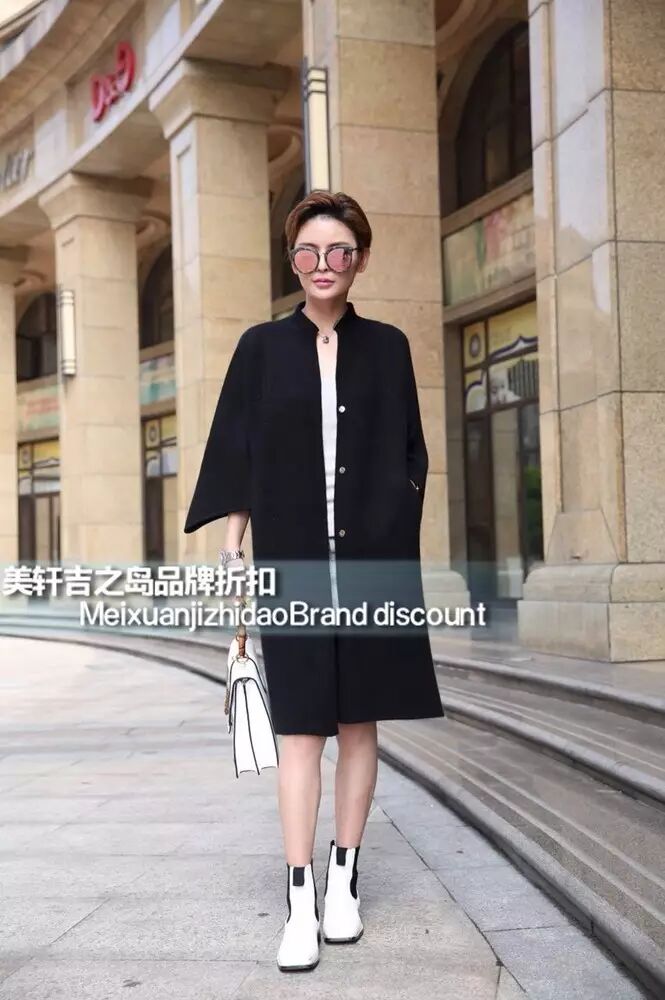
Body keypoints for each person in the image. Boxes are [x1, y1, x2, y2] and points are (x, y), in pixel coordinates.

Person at [183, 190, 446, 973]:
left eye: (338, 251)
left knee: (360, 723)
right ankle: (298, 898)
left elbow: (410, 448)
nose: (322, 265)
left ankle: (344, 882)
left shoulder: (388, 347)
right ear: (291, 260)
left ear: (359, 258)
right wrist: (234, 543)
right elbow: (239, 448)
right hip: (292, 558)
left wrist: (394, 518)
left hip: (370, 561)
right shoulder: (261, 348)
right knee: (301, 729)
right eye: (307, 252)